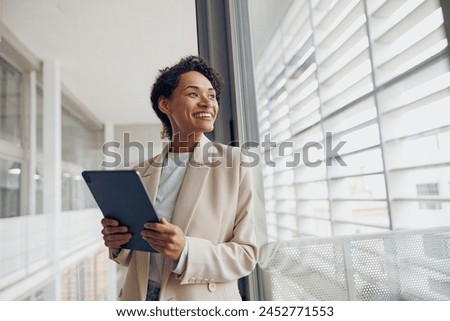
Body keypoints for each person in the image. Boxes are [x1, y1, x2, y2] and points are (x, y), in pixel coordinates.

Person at [100, 55, 258, 301]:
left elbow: (247, 255)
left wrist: (186, 251)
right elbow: (133, 257)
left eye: (212, 96)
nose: (207, 103)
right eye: (194, 94)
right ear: (165, 104)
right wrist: (117, 242)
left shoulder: (235, 163)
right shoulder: (140, 172)